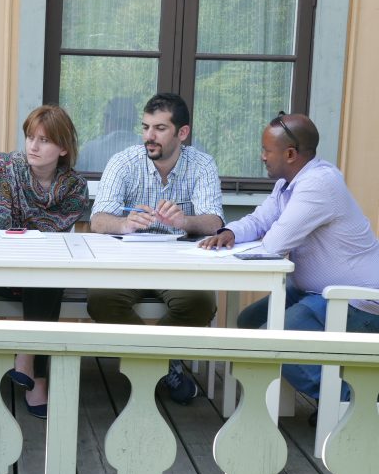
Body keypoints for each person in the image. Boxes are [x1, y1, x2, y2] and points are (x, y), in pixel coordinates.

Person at [199, 112, 379, 407]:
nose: (262, 157)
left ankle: (352, 403)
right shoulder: (287, 183)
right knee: (248, 322)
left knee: (275, 335)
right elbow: (260, 220)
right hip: (315, 292)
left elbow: (274, 243)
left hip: (358, 301)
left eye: (267, 150)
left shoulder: (319, 184)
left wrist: (244, 245)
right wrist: (230, 232)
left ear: (291, 154)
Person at [86, 92, 224, 404]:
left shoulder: (202, 165)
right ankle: (161, 365)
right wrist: (124, 224)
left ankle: (147, 364)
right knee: (101, 300)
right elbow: (98, 220)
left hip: (179, 264)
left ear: (182, 133)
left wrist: (185, 221)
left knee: (201, 303)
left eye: (160, 128)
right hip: (127, 261)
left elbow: (215, 222)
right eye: (146, 127)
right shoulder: (124, 161)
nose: (149, 136)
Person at [0, 104, 89, 418]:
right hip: (0, 268)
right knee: (47, 275)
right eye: (29, 137)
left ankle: (28, 361)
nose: (33, 146)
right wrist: (33, 231)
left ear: (63, 148)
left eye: (44, 140)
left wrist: (28, 230)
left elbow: (57, 236)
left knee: (46, 274)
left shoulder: (75, 188)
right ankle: (36, 376)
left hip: (42, 273)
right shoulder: (4, 169)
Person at [75, 96, 141, 172]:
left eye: (106, 117)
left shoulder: (91, 150)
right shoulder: (146, 149)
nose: (103, 122)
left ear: (112, 120)